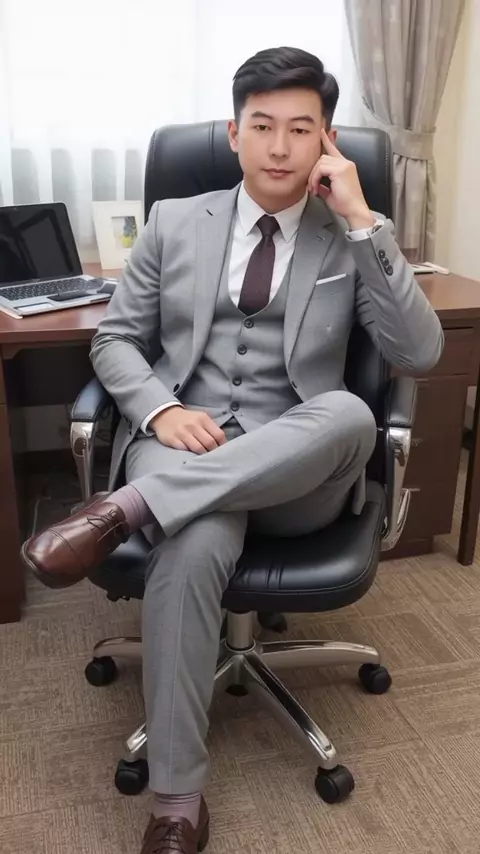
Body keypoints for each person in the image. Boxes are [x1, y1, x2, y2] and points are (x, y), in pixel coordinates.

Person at [21, 47, 443, 854]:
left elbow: (418, 354)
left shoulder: (351, 235)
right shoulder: (176, 221)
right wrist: (162, 408)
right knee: (191, 541)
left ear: (326, 141)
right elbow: (114, 342)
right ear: (233, 133)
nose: (280, 147)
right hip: (182, 444)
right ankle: (177, 803)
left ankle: (122, 511)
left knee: (349, 411)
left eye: (301, 129)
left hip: (301, 469)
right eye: (263, 126)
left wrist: (363, 218)